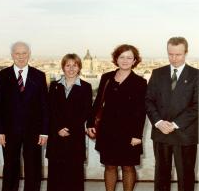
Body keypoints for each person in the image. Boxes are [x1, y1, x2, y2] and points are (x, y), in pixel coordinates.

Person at [87, 44, 147, 191]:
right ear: (116, 59)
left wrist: (137, 135)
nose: (125, 60)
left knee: (128, 167)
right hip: (107, 130)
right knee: (110, 166)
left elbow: (141, 111)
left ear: (134, 61)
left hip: (129, 132)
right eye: (122, 57)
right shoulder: (106, 77)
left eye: (129, 57)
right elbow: (98, 102)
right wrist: (90, 123)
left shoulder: (140, 82)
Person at [0, 41, 49, 191]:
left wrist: (44, 131)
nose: (21, 57)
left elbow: (44, 106)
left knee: (34, 169)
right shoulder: (1, 76)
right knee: (10, 167)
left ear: (29, 54)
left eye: (24, 53)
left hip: (34, 131)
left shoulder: (39, 75)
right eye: (17, 53)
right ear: (12, 55)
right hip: (9, 131)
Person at [145, 37, 198, 191]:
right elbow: (148, 101)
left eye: (178, 54)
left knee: (186, 177)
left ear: (186, 53)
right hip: (161, 133)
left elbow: (197, 106)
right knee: (161, 176)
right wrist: (159, 122)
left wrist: (174, 124)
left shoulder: (196, 75)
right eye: (170, 54)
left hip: (185, 134)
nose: (174, 58)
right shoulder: (157, 73)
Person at [46, 53, 92, 191]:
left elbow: (85, 112)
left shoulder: (86, 87)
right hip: (56, 135)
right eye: (68, 65)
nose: (71, 69)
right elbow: (50, 110)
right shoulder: (54, 86)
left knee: (75, 174)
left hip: (75, 136)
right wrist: (58, 128)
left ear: (79, 68)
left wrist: (68, 128)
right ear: (63, 67)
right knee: (55, 174)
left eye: (75, 65)